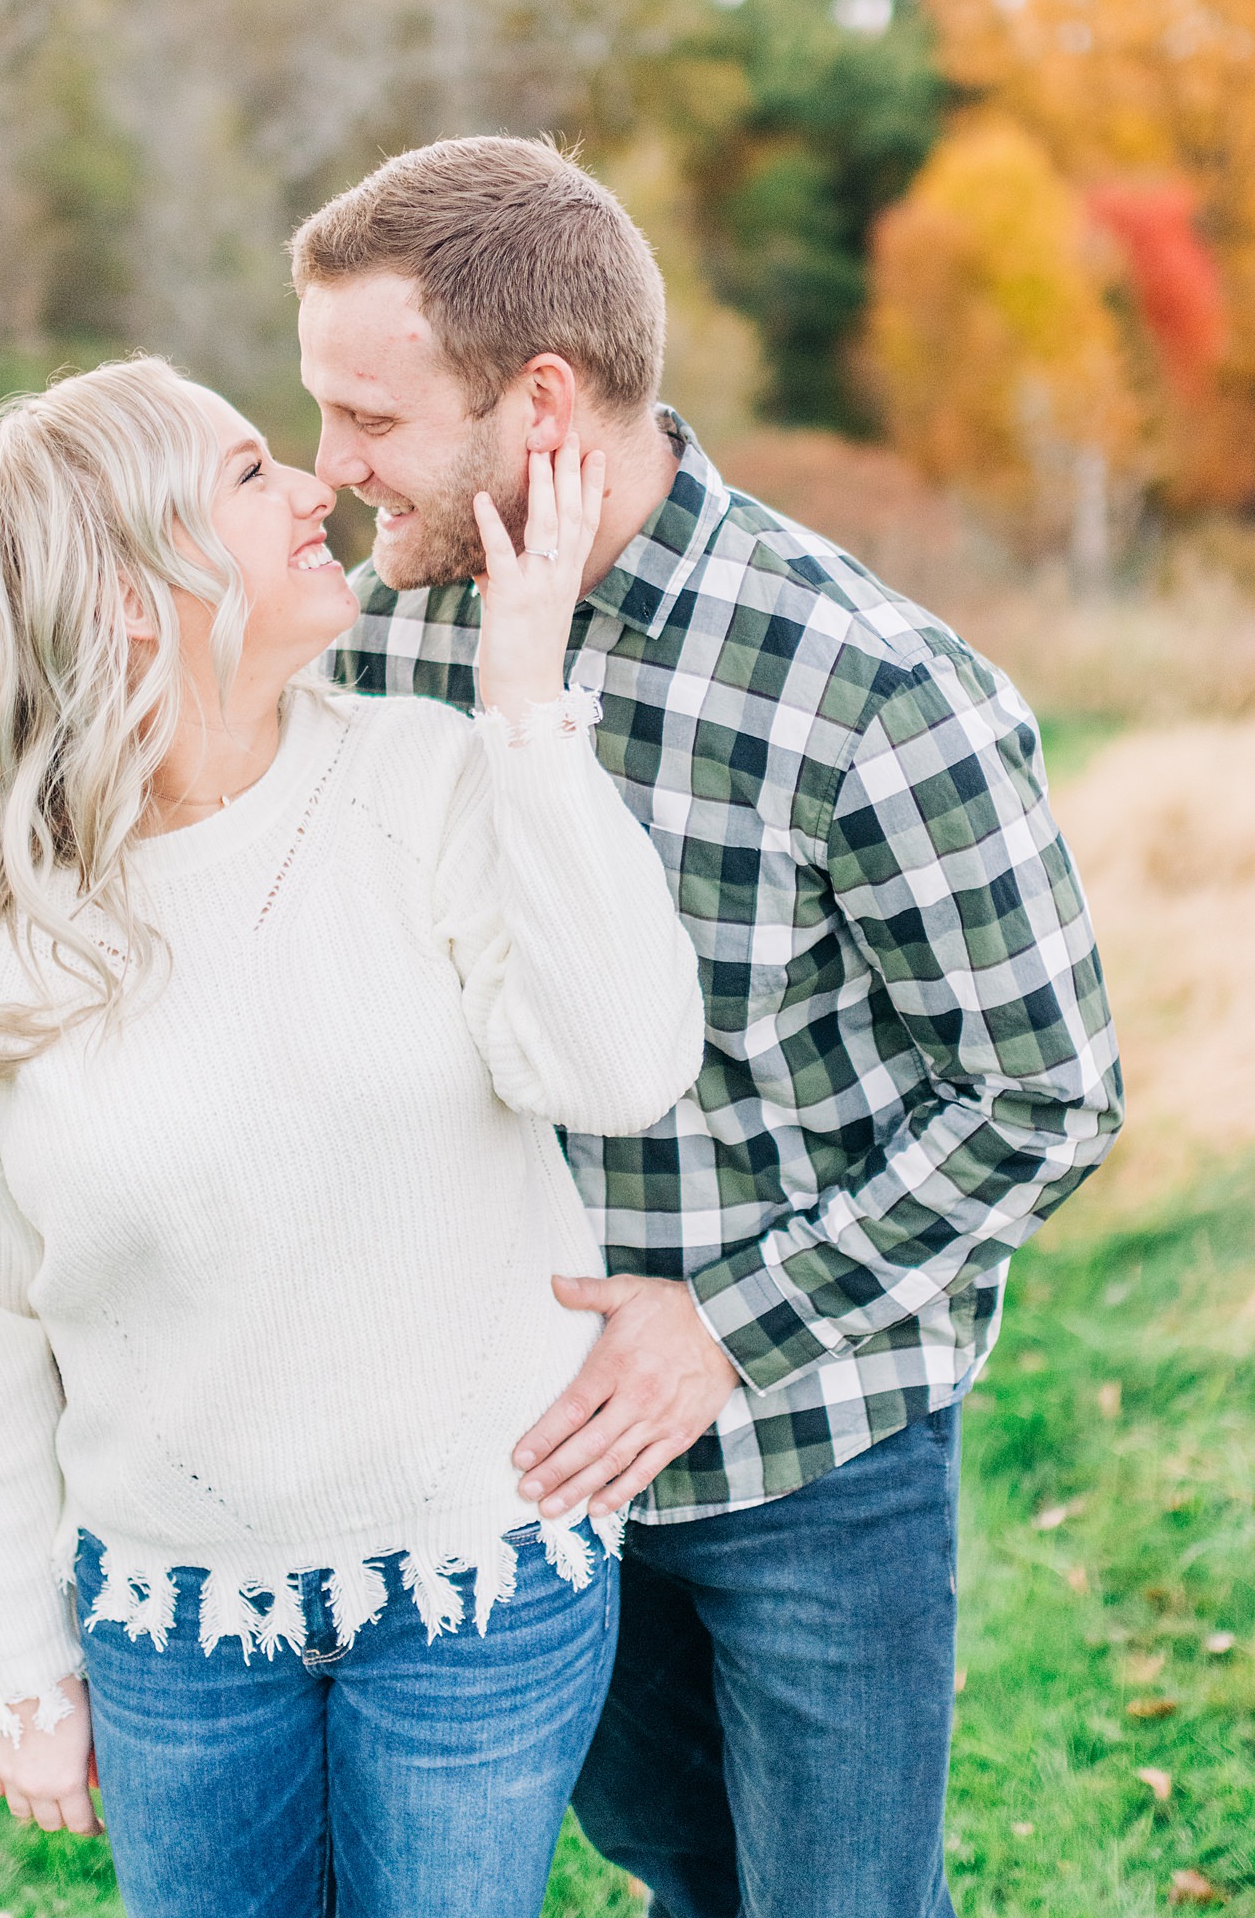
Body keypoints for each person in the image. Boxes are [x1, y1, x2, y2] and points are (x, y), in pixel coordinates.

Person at [297, 134, 1125, 1918]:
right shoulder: (383, 647)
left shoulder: (870, 687)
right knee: (685, 1872)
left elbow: (1045, 1094)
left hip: (811, 1446)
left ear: (540, 403)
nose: (331, 466)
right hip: (514, 1460)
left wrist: (725, 1333)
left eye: (369, 418)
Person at [0, 356, 705, 1918]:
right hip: (177, 1624)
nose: (319, 487)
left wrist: (528, 704)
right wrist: (18, 1667)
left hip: (484, 1582)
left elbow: (623, 1065)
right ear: (123, 592)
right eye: (251, 474)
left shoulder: (431, 781)